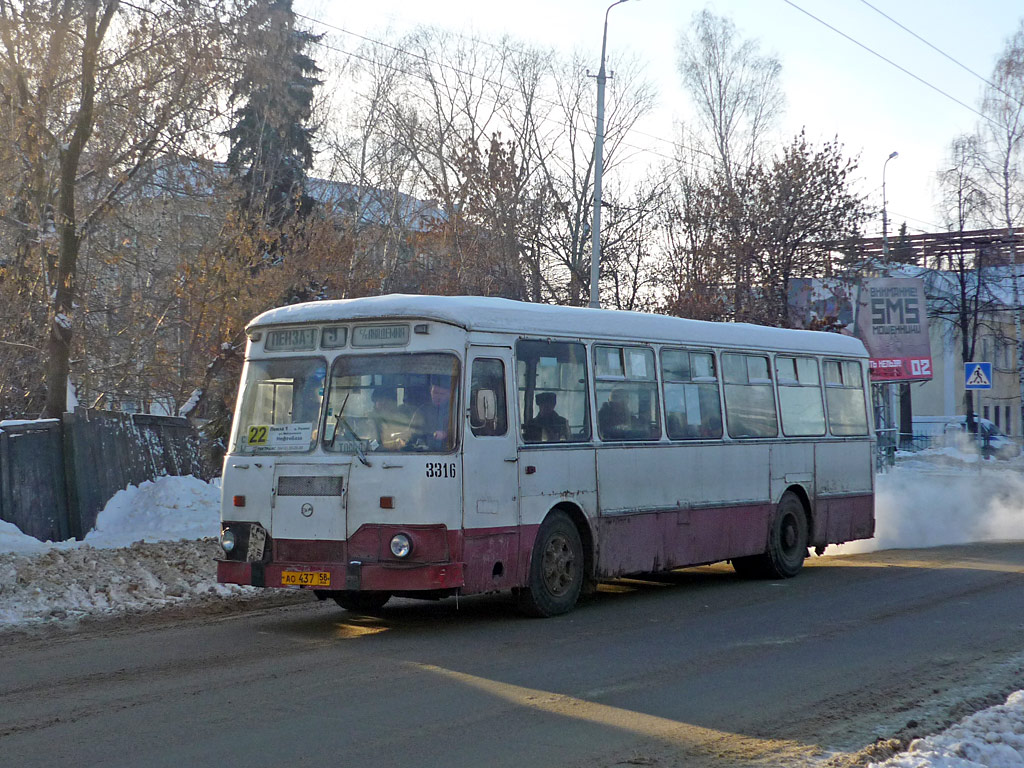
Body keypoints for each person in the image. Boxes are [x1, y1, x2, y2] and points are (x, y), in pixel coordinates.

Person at [410, 379, 454, 450]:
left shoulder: (456, 410)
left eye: (442, 394)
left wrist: (447, 435)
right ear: (430, 392)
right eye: (435, 393)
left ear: (449, 395)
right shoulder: (423, 410)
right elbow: (413, 433)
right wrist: (430, 435)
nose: (438, 397)